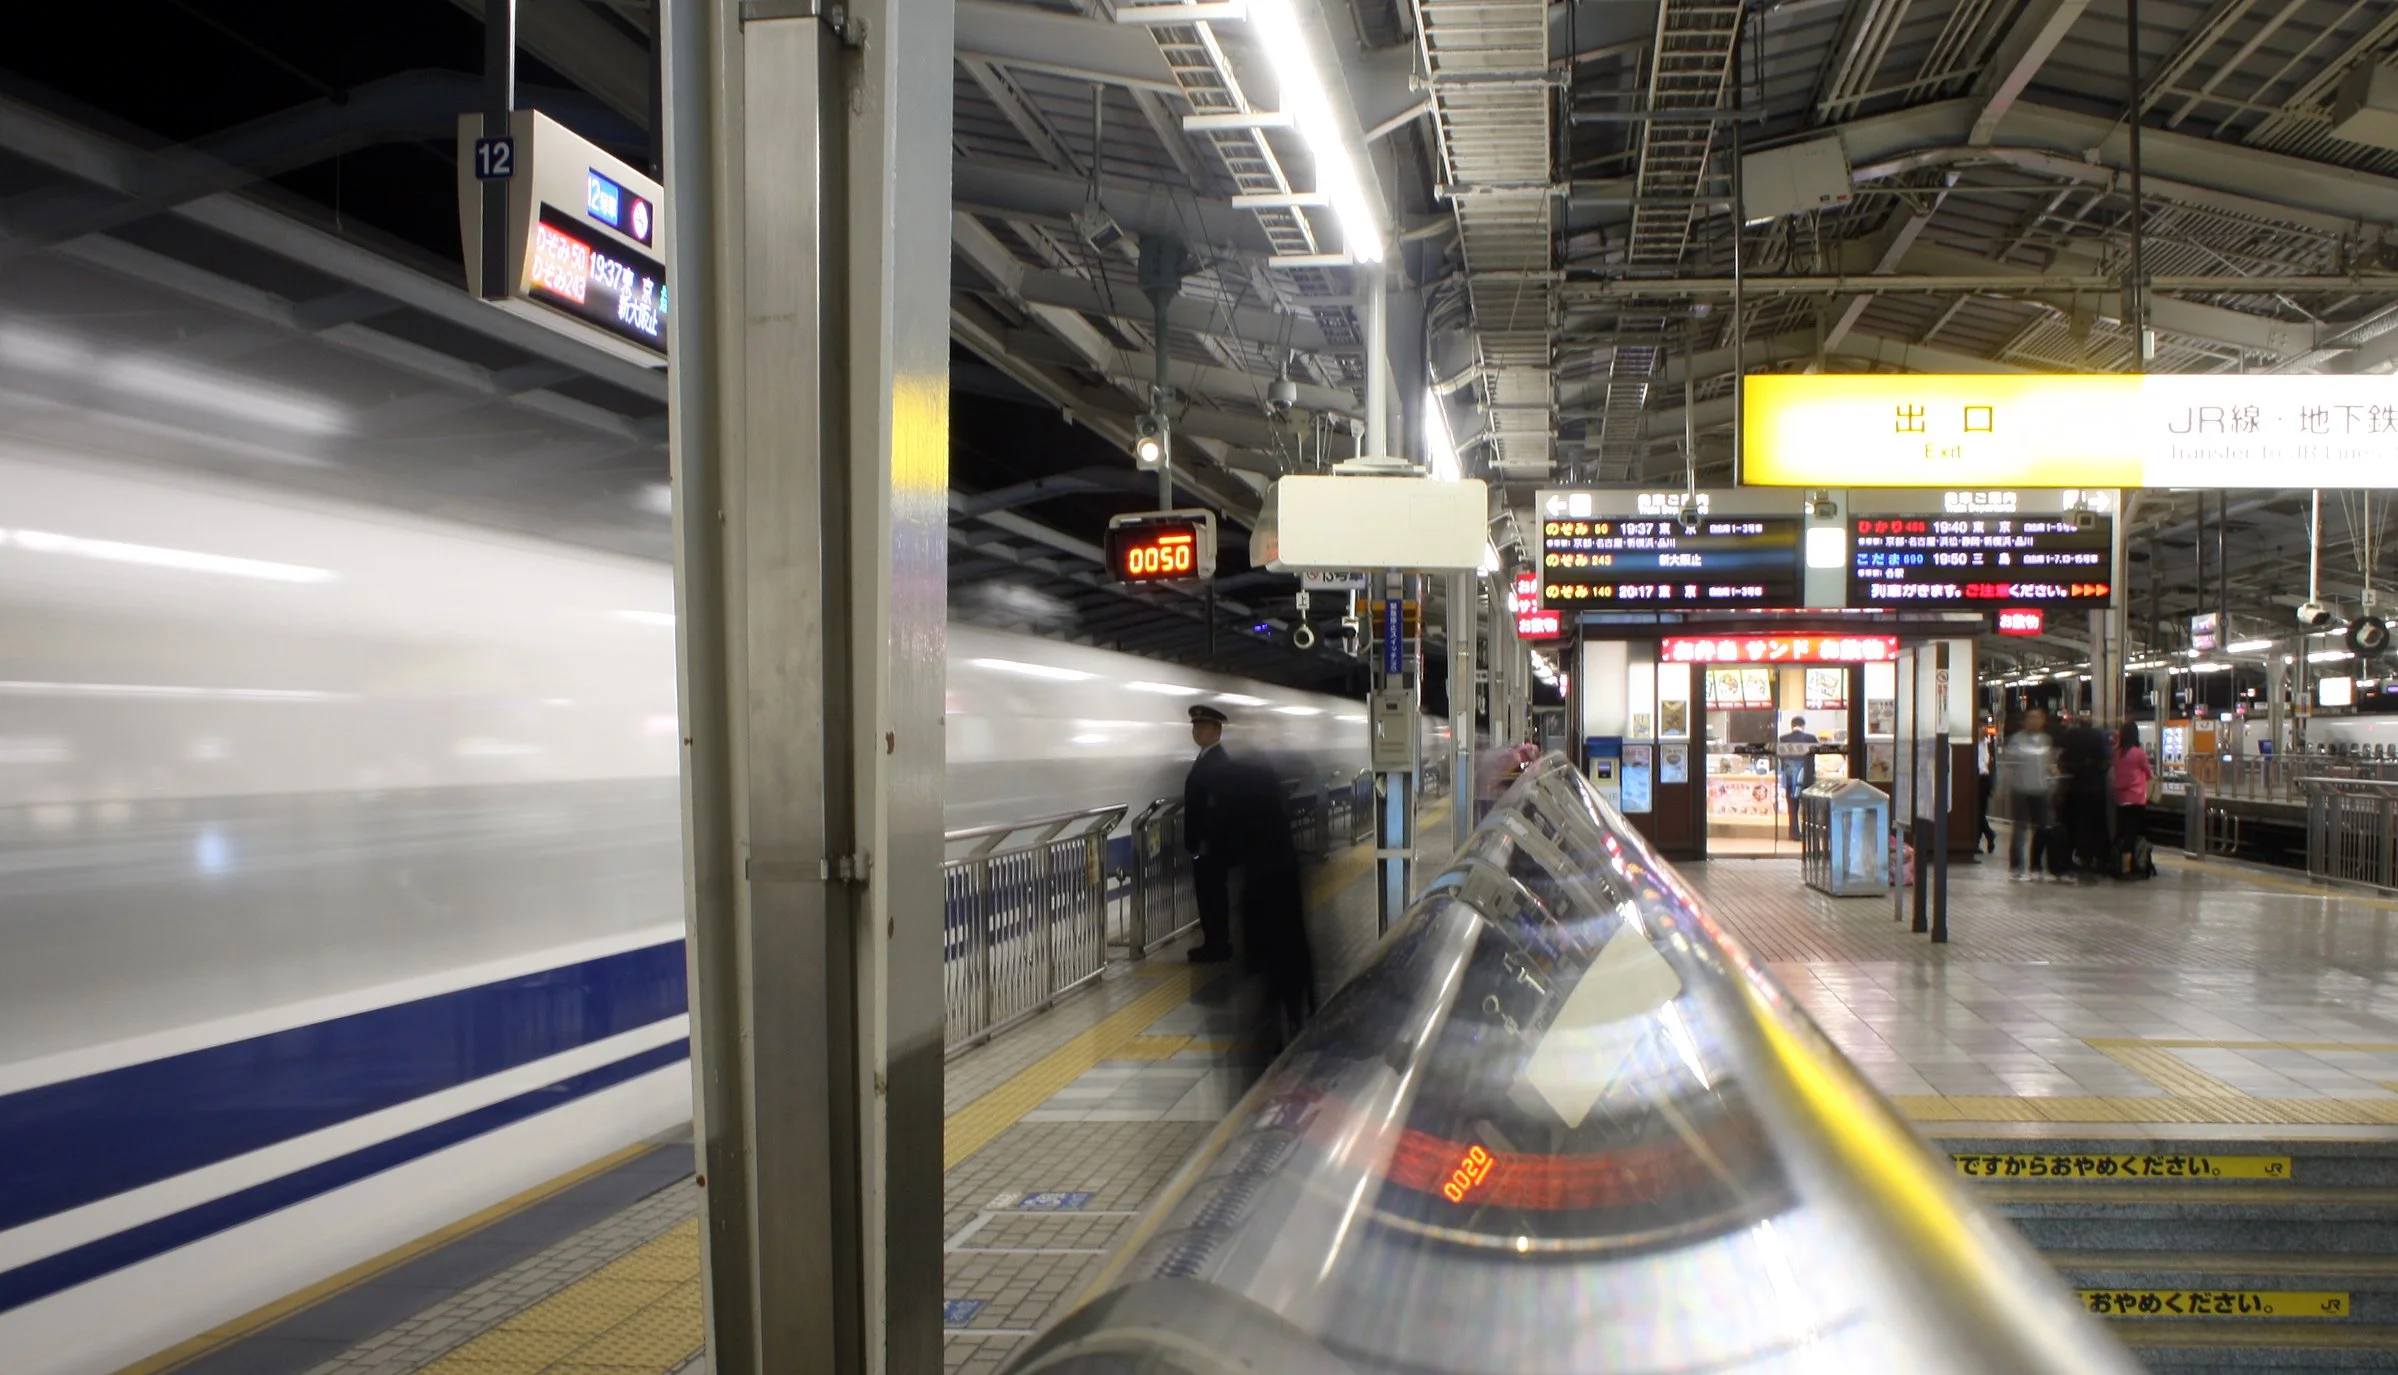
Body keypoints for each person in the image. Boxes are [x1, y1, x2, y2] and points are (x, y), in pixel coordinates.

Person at [1182, 704, 1237, 963]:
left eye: (1203, 726)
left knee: (1212, 895)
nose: (1197, 731)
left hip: (1210, 845)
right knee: (1210, 894)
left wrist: (1204, 841)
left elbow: (1216, 807)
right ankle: (1215, 942)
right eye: (1195, 726)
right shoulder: (1208, 758)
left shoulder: (1217, 762)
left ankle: (1217, 945)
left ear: (1218, 730)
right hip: (1208, 843)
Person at [1998, 707, 2057, 880]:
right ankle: (2016, 866)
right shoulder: (2016, 740)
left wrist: (2051, 783)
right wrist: (2002, 788)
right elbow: (2008, 766)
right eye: (2031, 717)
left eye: (2037, 718)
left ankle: (2036, 866)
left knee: (2041, 829)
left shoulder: (2047, 741)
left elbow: (2050, 765)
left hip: (2041, 790)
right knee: (2020, 830)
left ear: (2043, 720)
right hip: (2020, 790)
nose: (2034, 721)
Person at [2057, 715, 2114, 881]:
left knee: (2075, 824)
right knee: (2096, 825)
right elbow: (2107, 760)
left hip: (2074, 786)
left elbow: (2062, 759)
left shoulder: (2071, 736)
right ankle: (2096, 858)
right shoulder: (2099, 736)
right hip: (2096, 787)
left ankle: (2076, 857)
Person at [2113, 722, 2153, 876]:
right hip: (2136, 799)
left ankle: (2117, 863)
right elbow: (2149, 773)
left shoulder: (2117, 754)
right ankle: (2128, 868)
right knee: (2133, 833)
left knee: (2121, 832)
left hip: (2120, 798)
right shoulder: (2138, 753)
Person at [1777, 715, 1819, 841]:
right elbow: (1816, 755)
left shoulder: (1783, 739)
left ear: (1792, 725)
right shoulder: (1811, 738)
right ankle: (1807, 833)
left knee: (1792, 807)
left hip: (1790, 778)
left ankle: (1794, 833)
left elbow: (1780, 756)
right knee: (1807, 807)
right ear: (1803, 726)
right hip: (1806, 778)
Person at [1974, 718, 1999, 855]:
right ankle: (1988, 834)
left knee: (1981, 811)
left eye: (1984, 727)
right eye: (1980, 727)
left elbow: (1993, 765)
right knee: (1976, 811)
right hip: (1974, 779)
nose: (1983, 730)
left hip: (1984, 779)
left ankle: (1981, 839)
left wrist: (1993, 785)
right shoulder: (1973, 744)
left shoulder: (1989, 743)